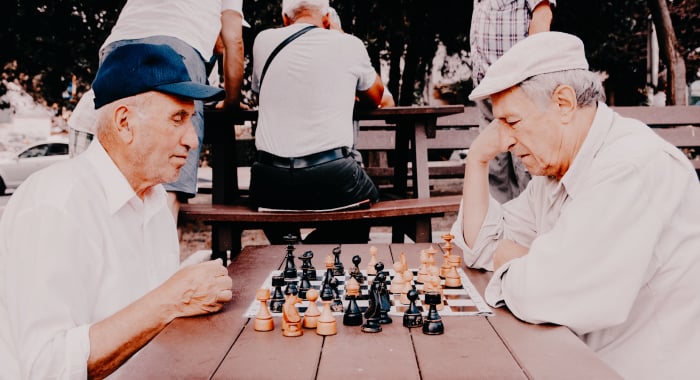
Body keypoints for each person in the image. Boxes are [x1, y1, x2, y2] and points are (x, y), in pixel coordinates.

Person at [450, 32, 700, 379]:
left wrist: (517, 262)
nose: (503, 140)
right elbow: (480, 249)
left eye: (511, 121)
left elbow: (548, 293)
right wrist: (476, 159)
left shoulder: (631, 168)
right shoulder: (554, 172)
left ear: (563, 104)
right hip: (572, 359)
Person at [0, 43, 234, 379]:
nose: (192, 140)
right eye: (178, 119)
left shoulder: (153, 199)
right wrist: (172, 300)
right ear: (124, 122)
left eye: (192, 119)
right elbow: (46, 367)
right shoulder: (56, 204)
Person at [68, 0, 247, 221]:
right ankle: (157, 253)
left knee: (112, 180)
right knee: (166, 185)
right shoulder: (201, 24)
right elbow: (234, 41)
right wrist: (232, 103)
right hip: (178, 47)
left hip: (118, 46)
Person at [249, 0, 385, 244]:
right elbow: (376, 96)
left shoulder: (262, 41)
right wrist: (340, 34)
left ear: (284, 18)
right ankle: (312, 250)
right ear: (326, 18)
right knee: (367, 200)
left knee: (270, 199)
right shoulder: (348, 44)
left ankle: (290, 247)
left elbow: (260, 90)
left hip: (269, 181)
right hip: (332, 176)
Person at [470, 0, 555, 203]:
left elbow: (542, 15)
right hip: (487, 86)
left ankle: (533, 227)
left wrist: (530, 72)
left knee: (526, 162)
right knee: (494, 165)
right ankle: (499, 228)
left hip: (517, 84)